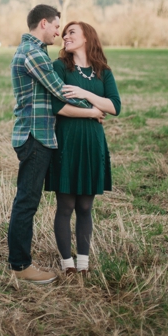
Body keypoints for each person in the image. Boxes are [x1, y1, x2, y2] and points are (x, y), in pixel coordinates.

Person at [7, 4, 103, 284]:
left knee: (27, 201)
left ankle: (20, 262)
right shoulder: (33, 53)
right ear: (44, 23)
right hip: (35, 137)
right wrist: (94, 107)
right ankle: (21, 266)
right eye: (57, 26)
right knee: (26, 202)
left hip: (39, 136)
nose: (59, 33)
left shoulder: (35, 51)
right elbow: (58, 89)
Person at [46, 21, 121, 276]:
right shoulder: (60, 67)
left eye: (71, 32)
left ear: (87, 37)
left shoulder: (103, 72)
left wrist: (84, 93)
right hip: (67, 141)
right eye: (64, 33)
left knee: (86, 207)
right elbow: (57, 107)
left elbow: (114, 107)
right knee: (65, 206)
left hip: (92, 144)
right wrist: (91, 112)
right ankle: (67, 264)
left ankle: (83, 264)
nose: (65, 36)